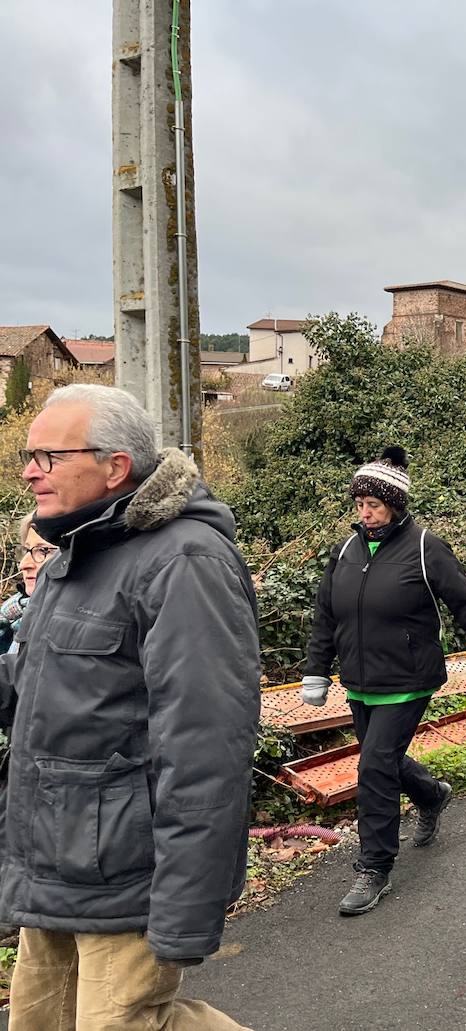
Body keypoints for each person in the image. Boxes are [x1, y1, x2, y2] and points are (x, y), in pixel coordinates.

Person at [0, 384, 258, 1029]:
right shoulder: (76, 553)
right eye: (29, 456)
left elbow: (207, 748)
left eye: (49, 457)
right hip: (57, 867)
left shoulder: (185, 562)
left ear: (115, 467)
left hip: (126, 872)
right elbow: (35, 690)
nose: (30, 472)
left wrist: (185, 904)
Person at [304, 447, 466, 916]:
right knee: (380, 759)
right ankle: (432, 794)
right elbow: (327, 614)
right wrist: (315, 669)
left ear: (395, 506)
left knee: (373, 767)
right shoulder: (345, 550)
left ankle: (375, 866)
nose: (365, 513)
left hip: (408, 678)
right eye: (360, 504)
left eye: (375, 505)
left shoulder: (426, 548)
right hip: (361, 679)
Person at [0, 514, 57, 654]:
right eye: (27, 550)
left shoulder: (65, 627)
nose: (24, 565)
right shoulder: (14, 617)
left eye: (43, 550)